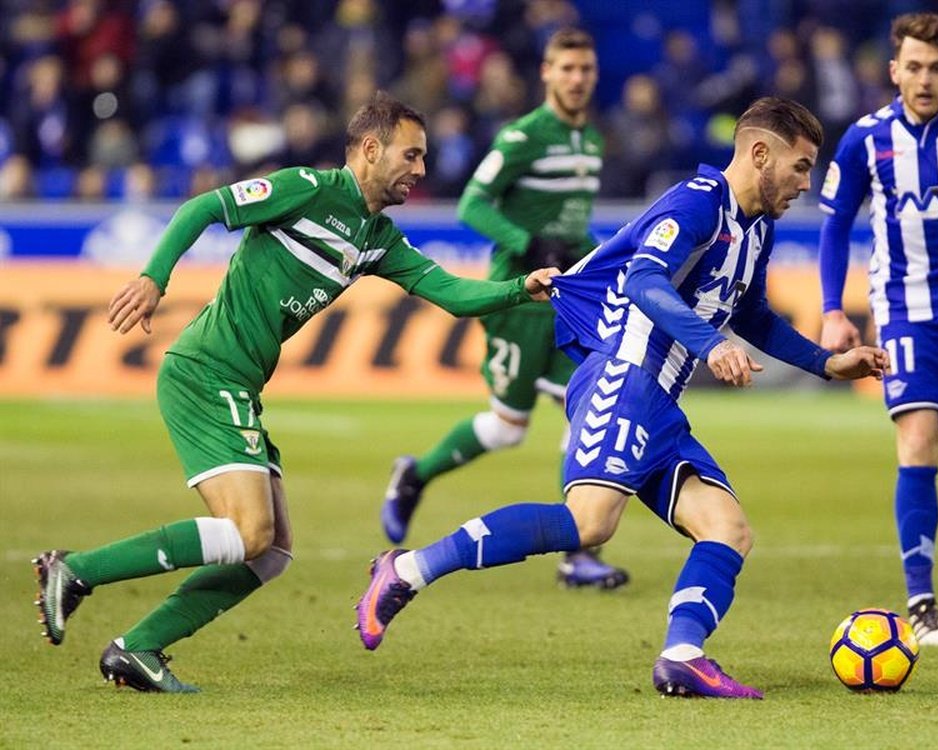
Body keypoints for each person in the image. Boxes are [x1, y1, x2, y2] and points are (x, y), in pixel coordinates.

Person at [356, 97, 889, 699]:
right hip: (625, 373)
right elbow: (641, 279)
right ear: (760, 153)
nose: (804, 182)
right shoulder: (697, 203)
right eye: (800, 166)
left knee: (727, 528)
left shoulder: (756, 228)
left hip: (661, 399)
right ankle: (406, 570)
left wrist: (825, 362)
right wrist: (711, 345)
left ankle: (683, 657)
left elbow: (755, 316)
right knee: (590, 524)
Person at [32, 91, 557, 693]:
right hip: (207, 372)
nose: (421, 170)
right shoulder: (308, 188)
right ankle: (77, 569)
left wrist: (522, 287)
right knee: (250, 533)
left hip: (238, 384)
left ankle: (139, 647)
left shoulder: (377, 237)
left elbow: (452, 294)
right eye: (411, 155)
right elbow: (202, 207)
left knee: (270, 552)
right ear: (369, 149)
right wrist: (155, 276)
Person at [381, 27, 629, 590]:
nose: (577, 78)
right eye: (566, 68)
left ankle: (579, 550)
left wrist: (600, 253)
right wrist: (526, 243)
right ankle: (415, 473)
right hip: (520, 297)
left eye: (585, 69)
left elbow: (568, 227)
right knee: (506, 428)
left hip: (567, 297)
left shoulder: (590, 137)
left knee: (591, 407)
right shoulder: (524, 136)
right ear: (545, 72)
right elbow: (472, 203)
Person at [818, 12, 938, 647]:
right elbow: (836, 224)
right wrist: (833, 308)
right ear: (894, 70)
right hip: (904, 312)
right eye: (913, 67)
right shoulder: (865, 139)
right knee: (919, 441)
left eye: (936, 68)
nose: (924, 79)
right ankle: (922, 603)